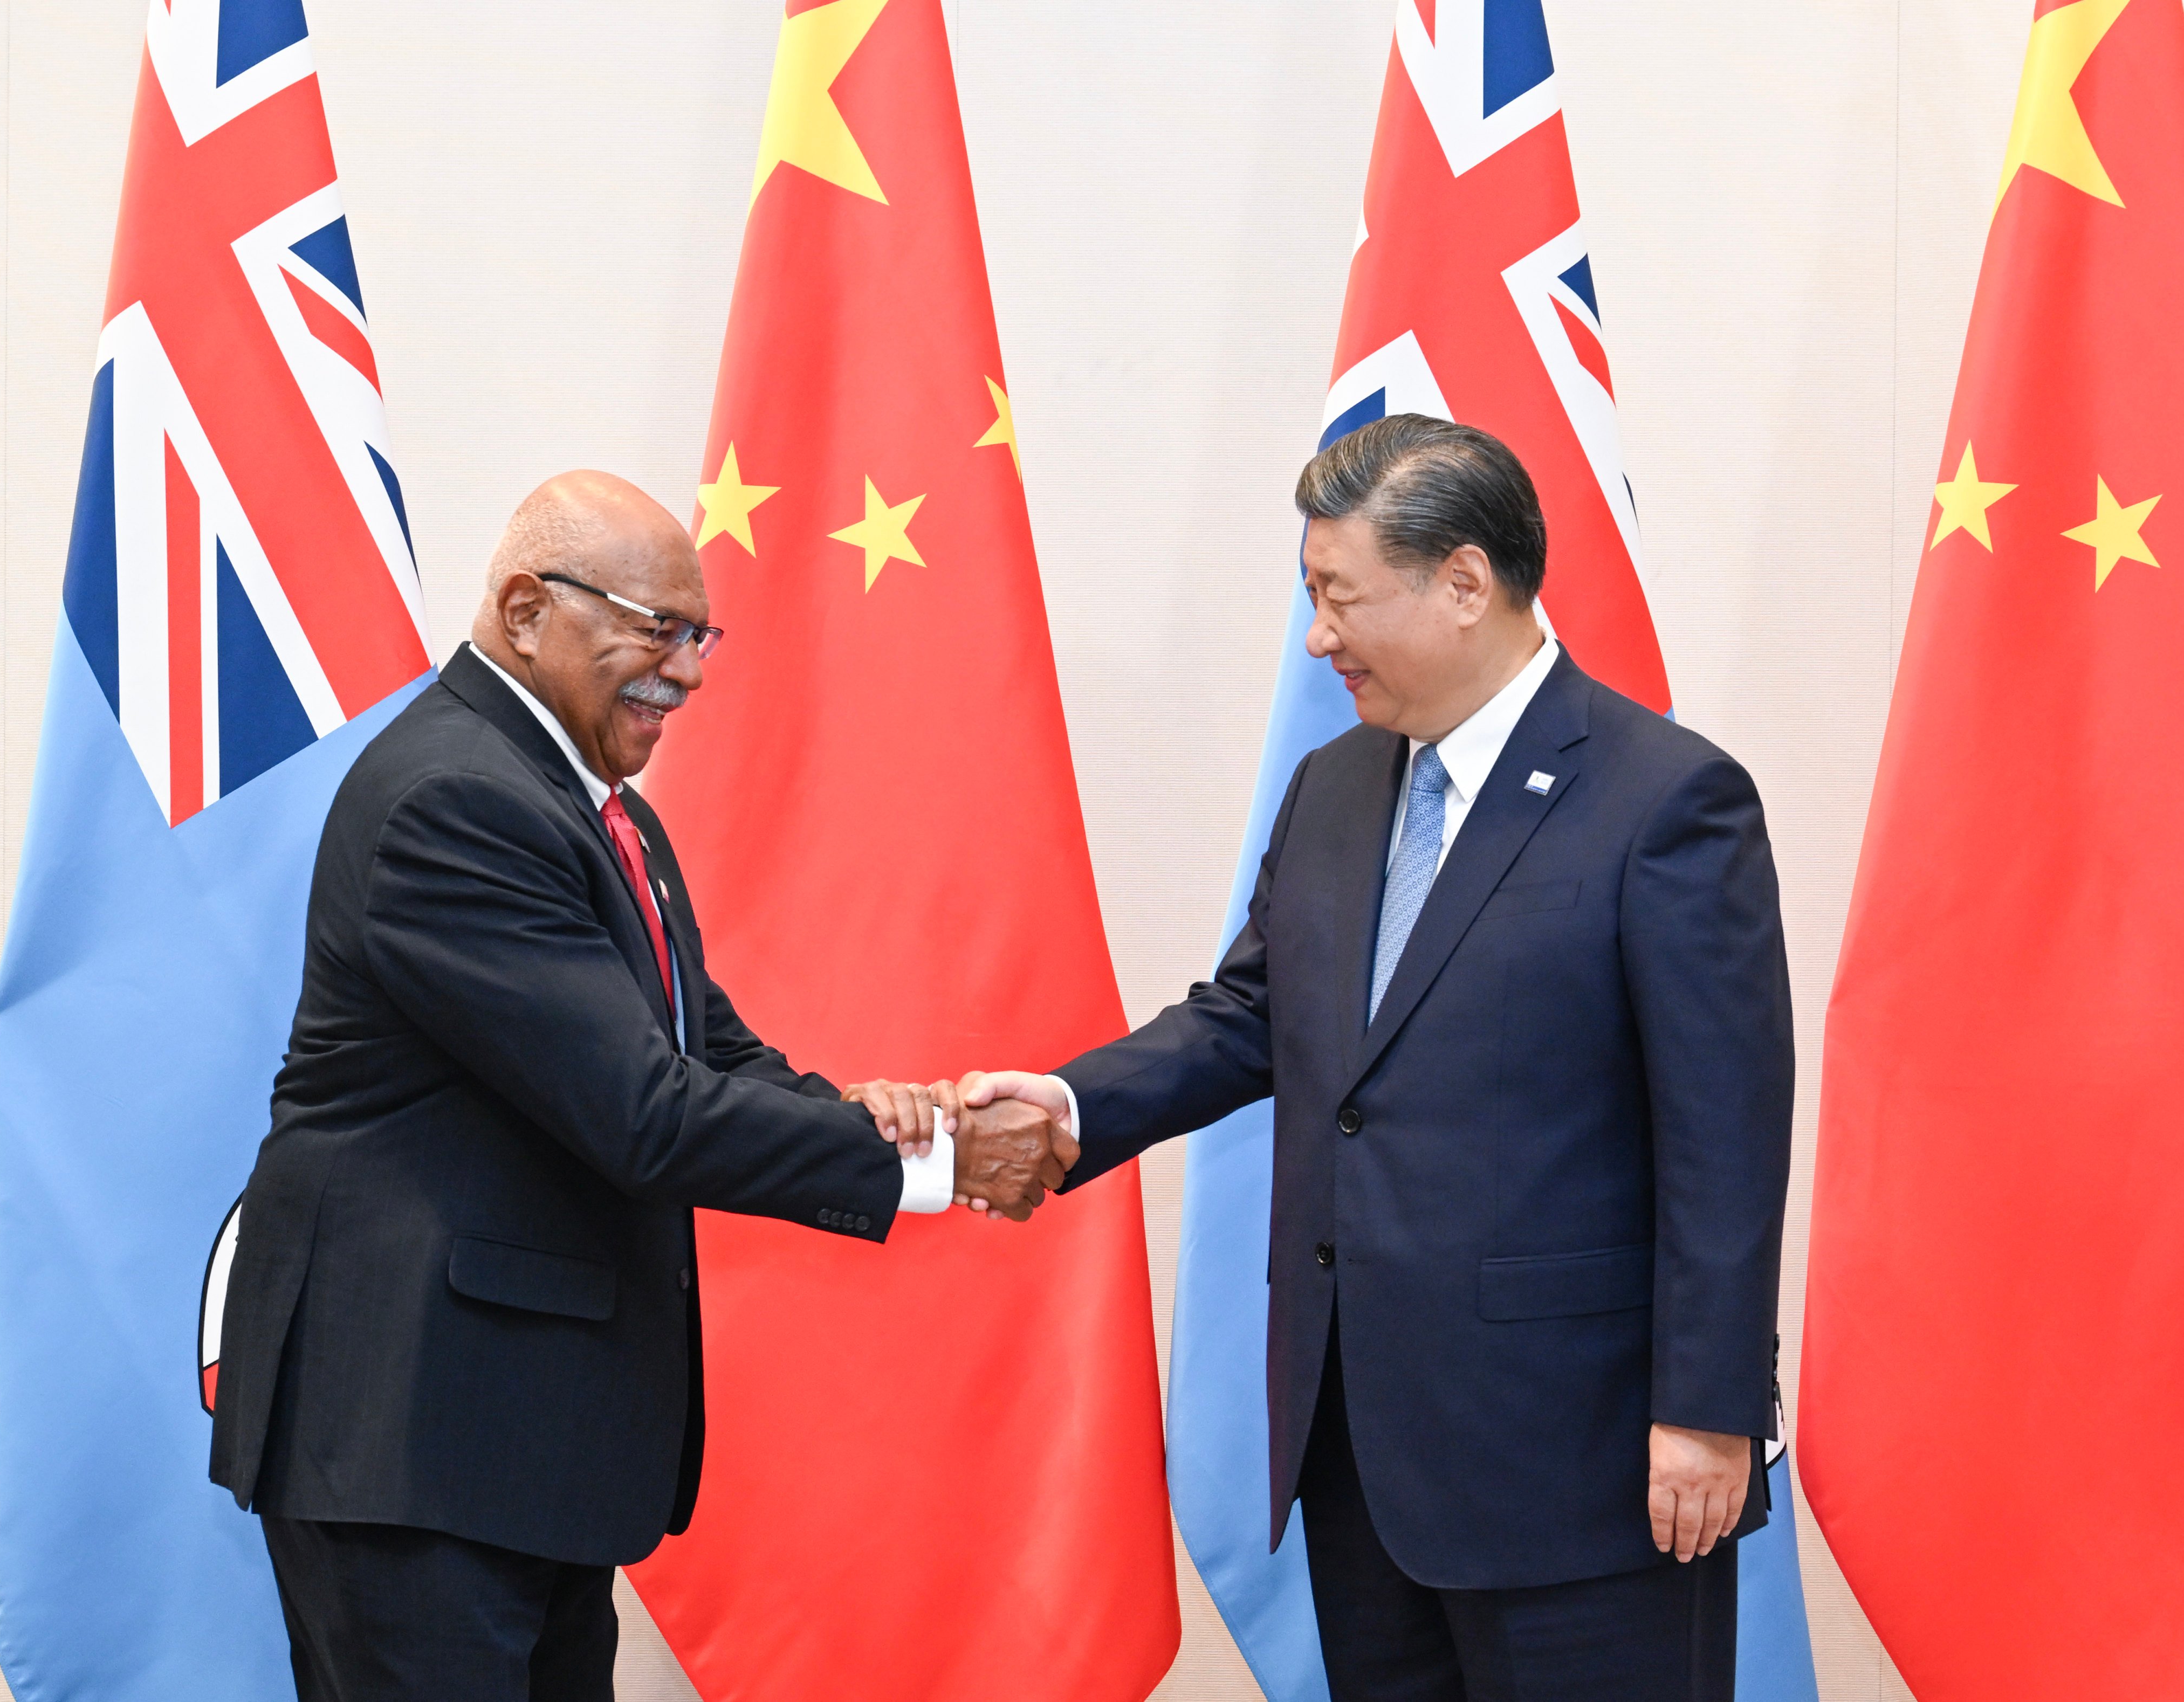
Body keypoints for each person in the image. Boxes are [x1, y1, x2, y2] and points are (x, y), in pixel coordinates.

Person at [964, 417, 1792, 1700]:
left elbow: (1723, 1139)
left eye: (1335, 596)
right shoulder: (1336, 787)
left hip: (1582, 1470)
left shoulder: (1665, 800)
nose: (1317, 637)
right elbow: (1248, 1017)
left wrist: (1707, 1408)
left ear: (1463, 583)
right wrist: (1073, 1102)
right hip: (1361, 1456)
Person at [209, 471, 1071, 1700]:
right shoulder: (455, 801)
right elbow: (643, 1117)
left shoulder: (599, 809)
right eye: (654, 627)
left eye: (700, 633)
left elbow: (703, 1054)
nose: (691, 669)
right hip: (412, 1447)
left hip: (518, 1449)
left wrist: (865, 1112)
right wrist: (931, 1168)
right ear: (523, 611)